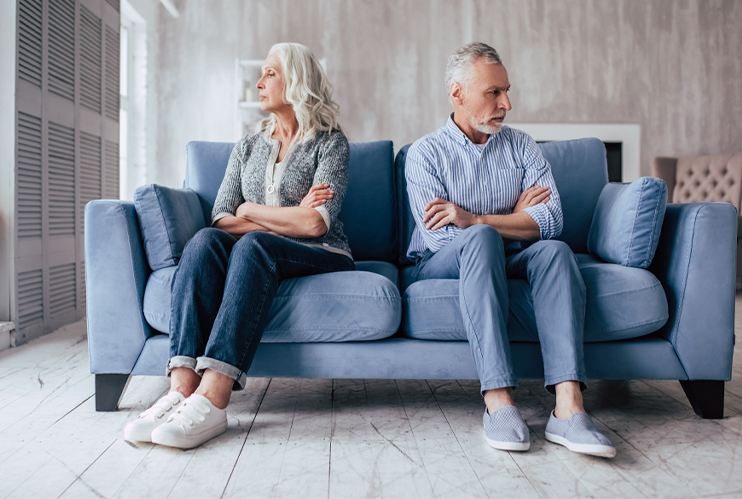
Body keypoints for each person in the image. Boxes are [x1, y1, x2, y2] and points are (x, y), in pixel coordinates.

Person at [124, 42, 354, 449]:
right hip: (269, 243)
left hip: (324, 254)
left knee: (253, 246)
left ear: (296, 81)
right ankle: (180, 387)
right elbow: (221, 217)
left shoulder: (331, 144)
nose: (259, 82)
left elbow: (316, 224)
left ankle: (214, 398)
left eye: (270, 73)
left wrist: (252, 210)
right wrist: (280, 214)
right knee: (204, 240)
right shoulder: (248, 146)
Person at [405, 42, 616, 458]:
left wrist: (476, 218)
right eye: (493, 93)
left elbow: (552, 220)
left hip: (501, 252)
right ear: (457, 93)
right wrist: (514, 221)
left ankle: (568, 409)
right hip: (439, 265)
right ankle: (499, 402)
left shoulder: (522, 146)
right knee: (479, 240)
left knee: (554, 250)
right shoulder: (425, 154)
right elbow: (443, 239)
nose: (508, 103)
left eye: (506, 91)